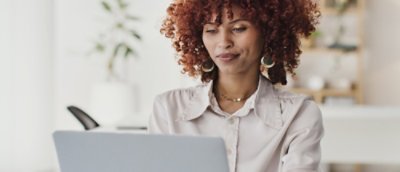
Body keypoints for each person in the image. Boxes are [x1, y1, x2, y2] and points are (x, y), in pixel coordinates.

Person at [148, 0, 323, 171]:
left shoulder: (298, 114)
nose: (224, 42)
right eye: (211, 30)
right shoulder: (169, 110)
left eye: (239, 28)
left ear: (268, 32)